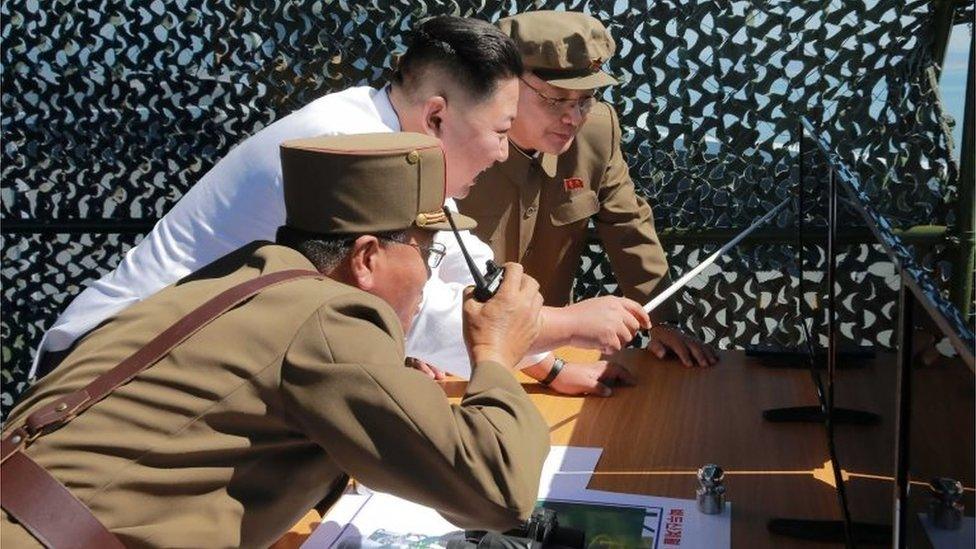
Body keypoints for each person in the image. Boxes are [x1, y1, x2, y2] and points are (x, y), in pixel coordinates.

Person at [31, 15, 647, 396]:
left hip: (182, 365)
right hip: (113, 374)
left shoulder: (389, 132)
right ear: (437, 114)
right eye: (498, 130)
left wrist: (543, 360)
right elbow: (407, 313)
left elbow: (462, 260)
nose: (497, 153)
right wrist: (565, 327)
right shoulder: (346, 149)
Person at [1, 133, 550, 548]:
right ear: (366, 259)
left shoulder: (239, 279)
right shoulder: (329, 318)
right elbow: (496, 489)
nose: (429, 276)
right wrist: (497, 352)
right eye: (427, 255)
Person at [457, 11, 719, 396]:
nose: (573, 117)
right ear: (503, 85)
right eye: (557, 99)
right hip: (452, 351)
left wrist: (661, 320)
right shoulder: (452, 141)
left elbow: (629, 227)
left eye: (586, 99)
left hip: (548, 349)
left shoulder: (597, 131)